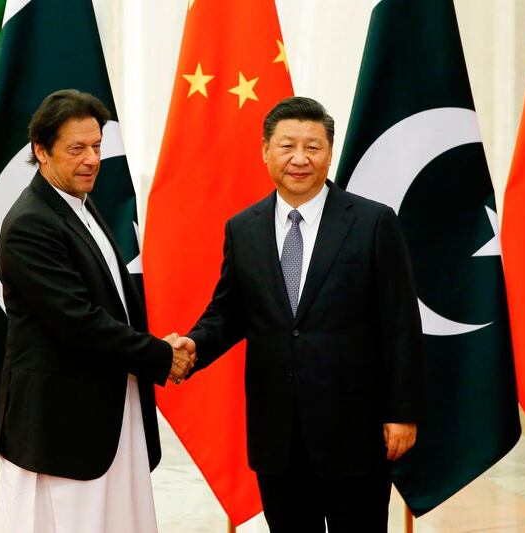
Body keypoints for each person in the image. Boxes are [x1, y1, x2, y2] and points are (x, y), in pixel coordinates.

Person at [173, 96, 423, 532]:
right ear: (266, 151)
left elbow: (401, 325)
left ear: (330, 152)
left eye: (313, 146)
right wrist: (193, 346)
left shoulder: (372, 222)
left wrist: (402, 412)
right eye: (287, 146)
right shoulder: (243, 228)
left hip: (355, 433)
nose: (300, 159)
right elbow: (229, 311)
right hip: (278, 436)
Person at [0, 89, 194, 533]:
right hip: (63, 428)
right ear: (41, 151)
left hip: (107, 411)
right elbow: (77, 323)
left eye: (97, 146)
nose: (91, 160)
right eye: (77, 148)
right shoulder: (30, 223)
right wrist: (161, 356)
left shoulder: (80, 205)